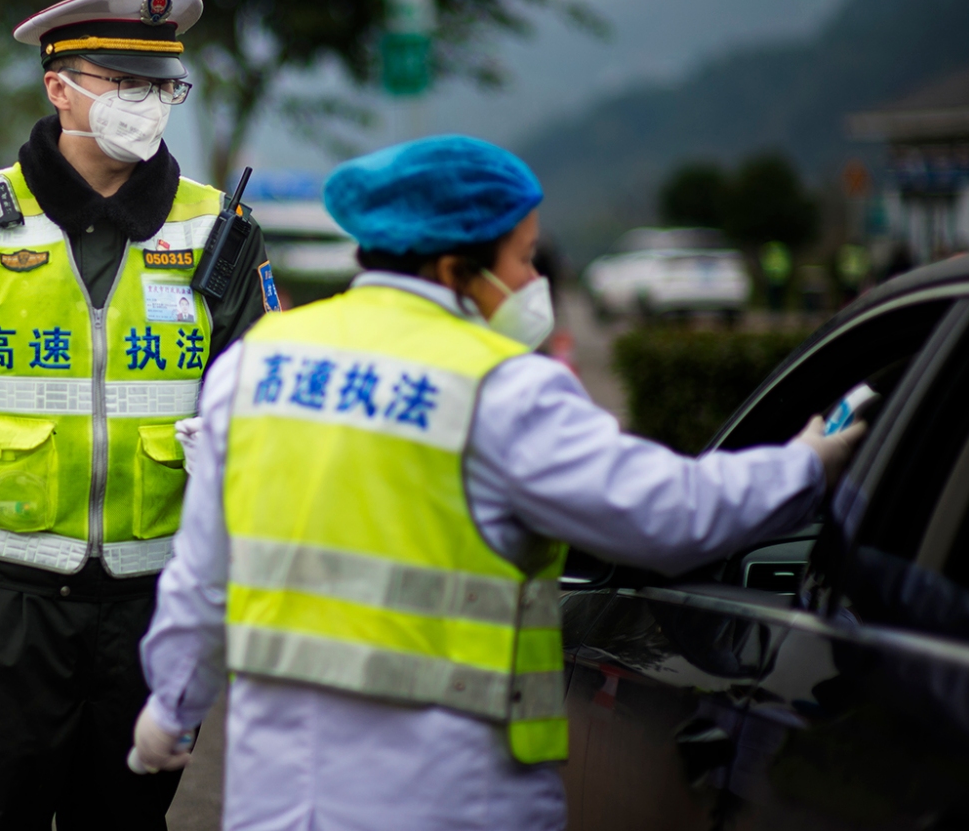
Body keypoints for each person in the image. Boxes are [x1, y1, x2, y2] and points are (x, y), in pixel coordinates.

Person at [133, 136, 866, 830]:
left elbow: (203, 576)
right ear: (455, 267)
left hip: (280, 793)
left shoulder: (258, 362)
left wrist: (170, 707)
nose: (533, 282)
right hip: (446, 792)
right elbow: (673, 514)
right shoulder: (504, 389)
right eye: (522, 259)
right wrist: (806, 461)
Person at [0, 0, 269, 829]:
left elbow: (263, 412)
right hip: (1, 604)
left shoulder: (216, 228)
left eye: (161, 87)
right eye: (122, 82)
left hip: (153, 599)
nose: (145, 105)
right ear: (59, 86)